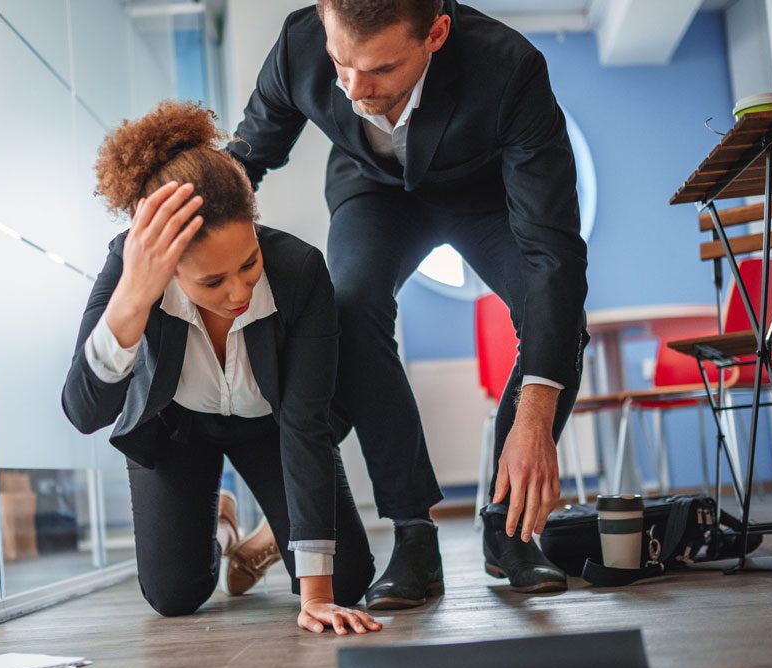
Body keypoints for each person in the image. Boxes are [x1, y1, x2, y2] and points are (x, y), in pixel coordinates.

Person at [227, 0, 590, 605]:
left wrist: (535, 417)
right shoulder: (300, 44)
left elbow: (553, 253)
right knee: (349, 305)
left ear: (436, 34)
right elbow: (243, 162)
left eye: (380, 69)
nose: (354, 89)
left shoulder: (509, 68)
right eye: (342, 63)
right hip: (373, 191)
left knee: (559, 318)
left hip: (485, 197)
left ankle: (507, 530)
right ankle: (412, 535)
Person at [62, 100, 381, 635]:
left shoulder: (300, 271)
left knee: (345, 577)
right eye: (212, 282)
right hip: (176, 430)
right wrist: (135, 297)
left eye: (249, 263)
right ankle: (224, 524)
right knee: (174, 596)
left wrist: (317, 598)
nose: (238, 292)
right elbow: (83, 411)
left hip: (273, 428)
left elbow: (305, 424)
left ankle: (273, 535)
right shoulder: (131, 268)